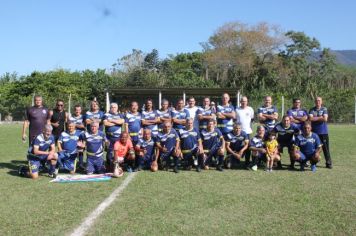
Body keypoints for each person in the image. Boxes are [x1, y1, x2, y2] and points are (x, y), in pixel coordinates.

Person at [309, 97, 332, 169]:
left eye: (319, 100)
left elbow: (325, 119)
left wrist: (315, 118)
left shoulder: (324, 109)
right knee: (313, 148)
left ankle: (328, 163)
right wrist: (320, 117)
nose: (317, 102)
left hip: (323, 132)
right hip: (314, 133)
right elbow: (310, 118)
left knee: (325, 148)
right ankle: (313, 162)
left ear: (321, 102)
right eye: (316, 100)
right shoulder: (312, 109)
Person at [103, 103, 125, 170]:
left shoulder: (120, 115)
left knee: (118, 151)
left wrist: (112, 121)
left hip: (117, 137)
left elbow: (122, 122)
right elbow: (105, 123)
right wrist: (116, 123)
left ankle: (118, 165)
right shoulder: (106, 114)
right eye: (112, 107)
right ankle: (109, 165)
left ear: (117, 108)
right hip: (109, 136)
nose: (113, 108)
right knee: (109, 151)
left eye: (115, 107)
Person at [235, 96, 254, 166]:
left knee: (248, 147)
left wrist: (250, 128)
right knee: (237, 146)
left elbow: (252, 119)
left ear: (247, 102)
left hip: (248, 132)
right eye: (242, 101)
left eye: (245, 101)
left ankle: (247, 162)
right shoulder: (237, 109)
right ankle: (236, 160)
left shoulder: (250, 109)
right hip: (239, 132)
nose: (244, 102)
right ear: (240, 102)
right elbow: (235, 120)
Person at [69, 104, 85, 169]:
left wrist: (74, 124)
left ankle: (80, 164)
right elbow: (70, 126)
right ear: (74, 110)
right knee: (73, 149)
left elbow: (83, 126)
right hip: (73, 135)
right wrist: (78, 125)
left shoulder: (83, 117)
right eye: (76, 110)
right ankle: (72, 163)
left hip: (81, 136)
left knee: (81, 149)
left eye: (79, 110)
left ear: (81, 110)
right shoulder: (71, 118)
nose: (77, 111)